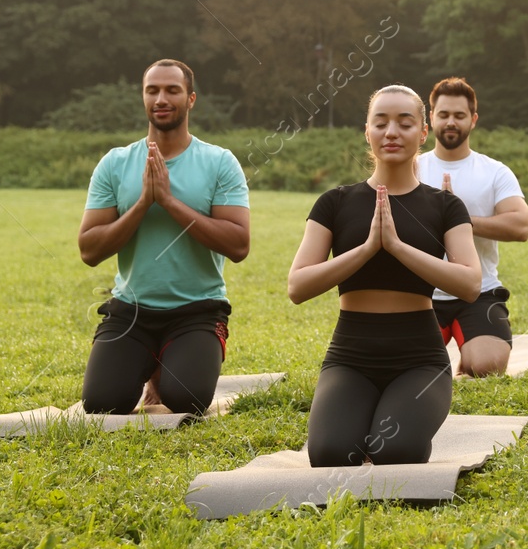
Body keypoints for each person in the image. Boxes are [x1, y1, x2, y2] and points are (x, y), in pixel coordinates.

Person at [287, 85, 481, 467]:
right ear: (367, 131)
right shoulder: (335, 202)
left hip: (420, 358)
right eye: (381, 123)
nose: (392, 132)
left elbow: (470, 284)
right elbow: (298, 286)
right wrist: (365, 249)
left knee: (395, 452)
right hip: (351, 355)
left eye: (404, 123)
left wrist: (397, 247)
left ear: (422, 133)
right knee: (329, 454)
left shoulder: (445, 206)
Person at [77, 59, 250, 415]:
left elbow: (238, 245)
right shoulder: (115, 163)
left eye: (172, 90)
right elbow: (89, 250)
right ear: (143, 97)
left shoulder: (220, 162)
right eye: (152, 90)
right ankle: (150, 361)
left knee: (185, 398)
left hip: (197, 310)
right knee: (102, 404)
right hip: (131, 311)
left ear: (190, 99)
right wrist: (143, 203)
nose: (161, 97)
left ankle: (165, 367)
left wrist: (169, 202)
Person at [415, 77, 528, 377]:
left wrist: (459, 217)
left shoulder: (494, 171)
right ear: (431, 118)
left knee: (488, 367)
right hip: (421, 292)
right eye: (443, 114)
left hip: (478, 291)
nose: (450, 122)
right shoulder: (411, 169)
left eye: (459, 115)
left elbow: (520, 226)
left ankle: (471, 351)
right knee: (411, 366)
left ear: (473, 120)